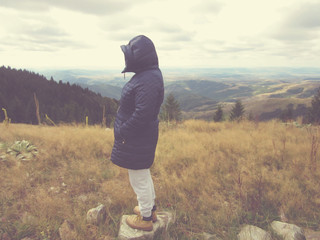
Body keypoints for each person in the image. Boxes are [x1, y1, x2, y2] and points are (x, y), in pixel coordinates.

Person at [110, 35, 164, 231]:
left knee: (138, 178)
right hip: (140, 137)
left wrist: (123, 131)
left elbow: (143, 114)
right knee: (142, 174)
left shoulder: (147, 79)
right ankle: (149, 209)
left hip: (136, 138)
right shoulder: (148, 75)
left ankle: (146, 219)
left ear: (139, 57)